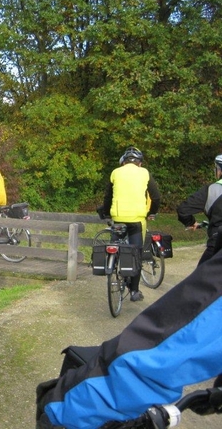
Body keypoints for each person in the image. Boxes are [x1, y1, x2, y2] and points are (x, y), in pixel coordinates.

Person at [36, 248, 222, 429]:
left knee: (128, 250)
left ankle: (131, 286)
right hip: (135, 226)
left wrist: (62, 408)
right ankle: (134, 289)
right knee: (135, 254)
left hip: (120, 225)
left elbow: (156, 358)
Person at [101, 146, 161, 302]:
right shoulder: (145, 173)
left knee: (116, 244)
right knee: (137, 253)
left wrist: (106, 213)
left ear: (124, 162)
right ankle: (134, 291)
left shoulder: (115, 172)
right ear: (139, 163)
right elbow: (156, 197)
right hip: (137, 219)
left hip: (118, 217)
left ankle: (114, 263)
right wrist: (151, 212)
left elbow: (108, 197)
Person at [177, 154, 222, 265]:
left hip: (218, 242)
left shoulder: (212, 190)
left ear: (219, 171)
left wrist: (190, 222)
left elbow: (183, 210)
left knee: (199, 279)